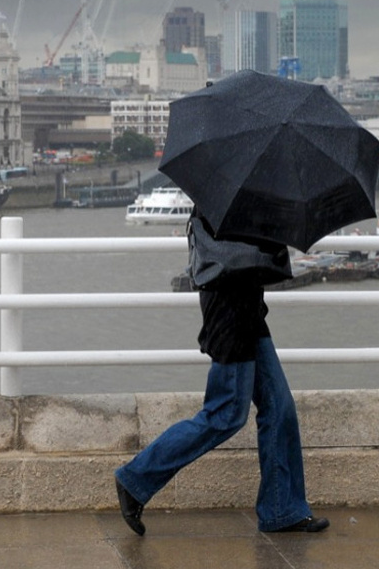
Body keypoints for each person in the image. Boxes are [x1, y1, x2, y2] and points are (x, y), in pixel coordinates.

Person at [114, 209, 329, 535]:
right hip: (229, 311)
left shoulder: (245, 193)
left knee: (279, 407)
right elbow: (237, 257)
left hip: (247, 309)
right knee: (225, 412)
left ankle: (281, 508)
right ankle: (135, 477)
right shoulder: (227, 202)